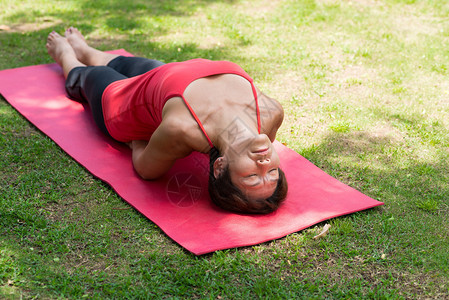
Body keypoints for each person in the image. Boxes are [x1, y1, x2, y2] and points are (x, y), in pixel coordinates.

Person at [46, 27, 288, 214]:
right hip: (164, 77)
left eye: (253, 177)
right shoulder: (270, 113)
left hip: (124, 106)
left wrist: (138, 139)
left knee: (89, 75)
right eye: (273, 172)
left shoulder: (181, 129)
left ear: (220, 166)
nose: (264, 163)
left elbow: (146, 169)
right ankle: (88, 52)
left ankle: (68, 57)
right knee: (121, 62)